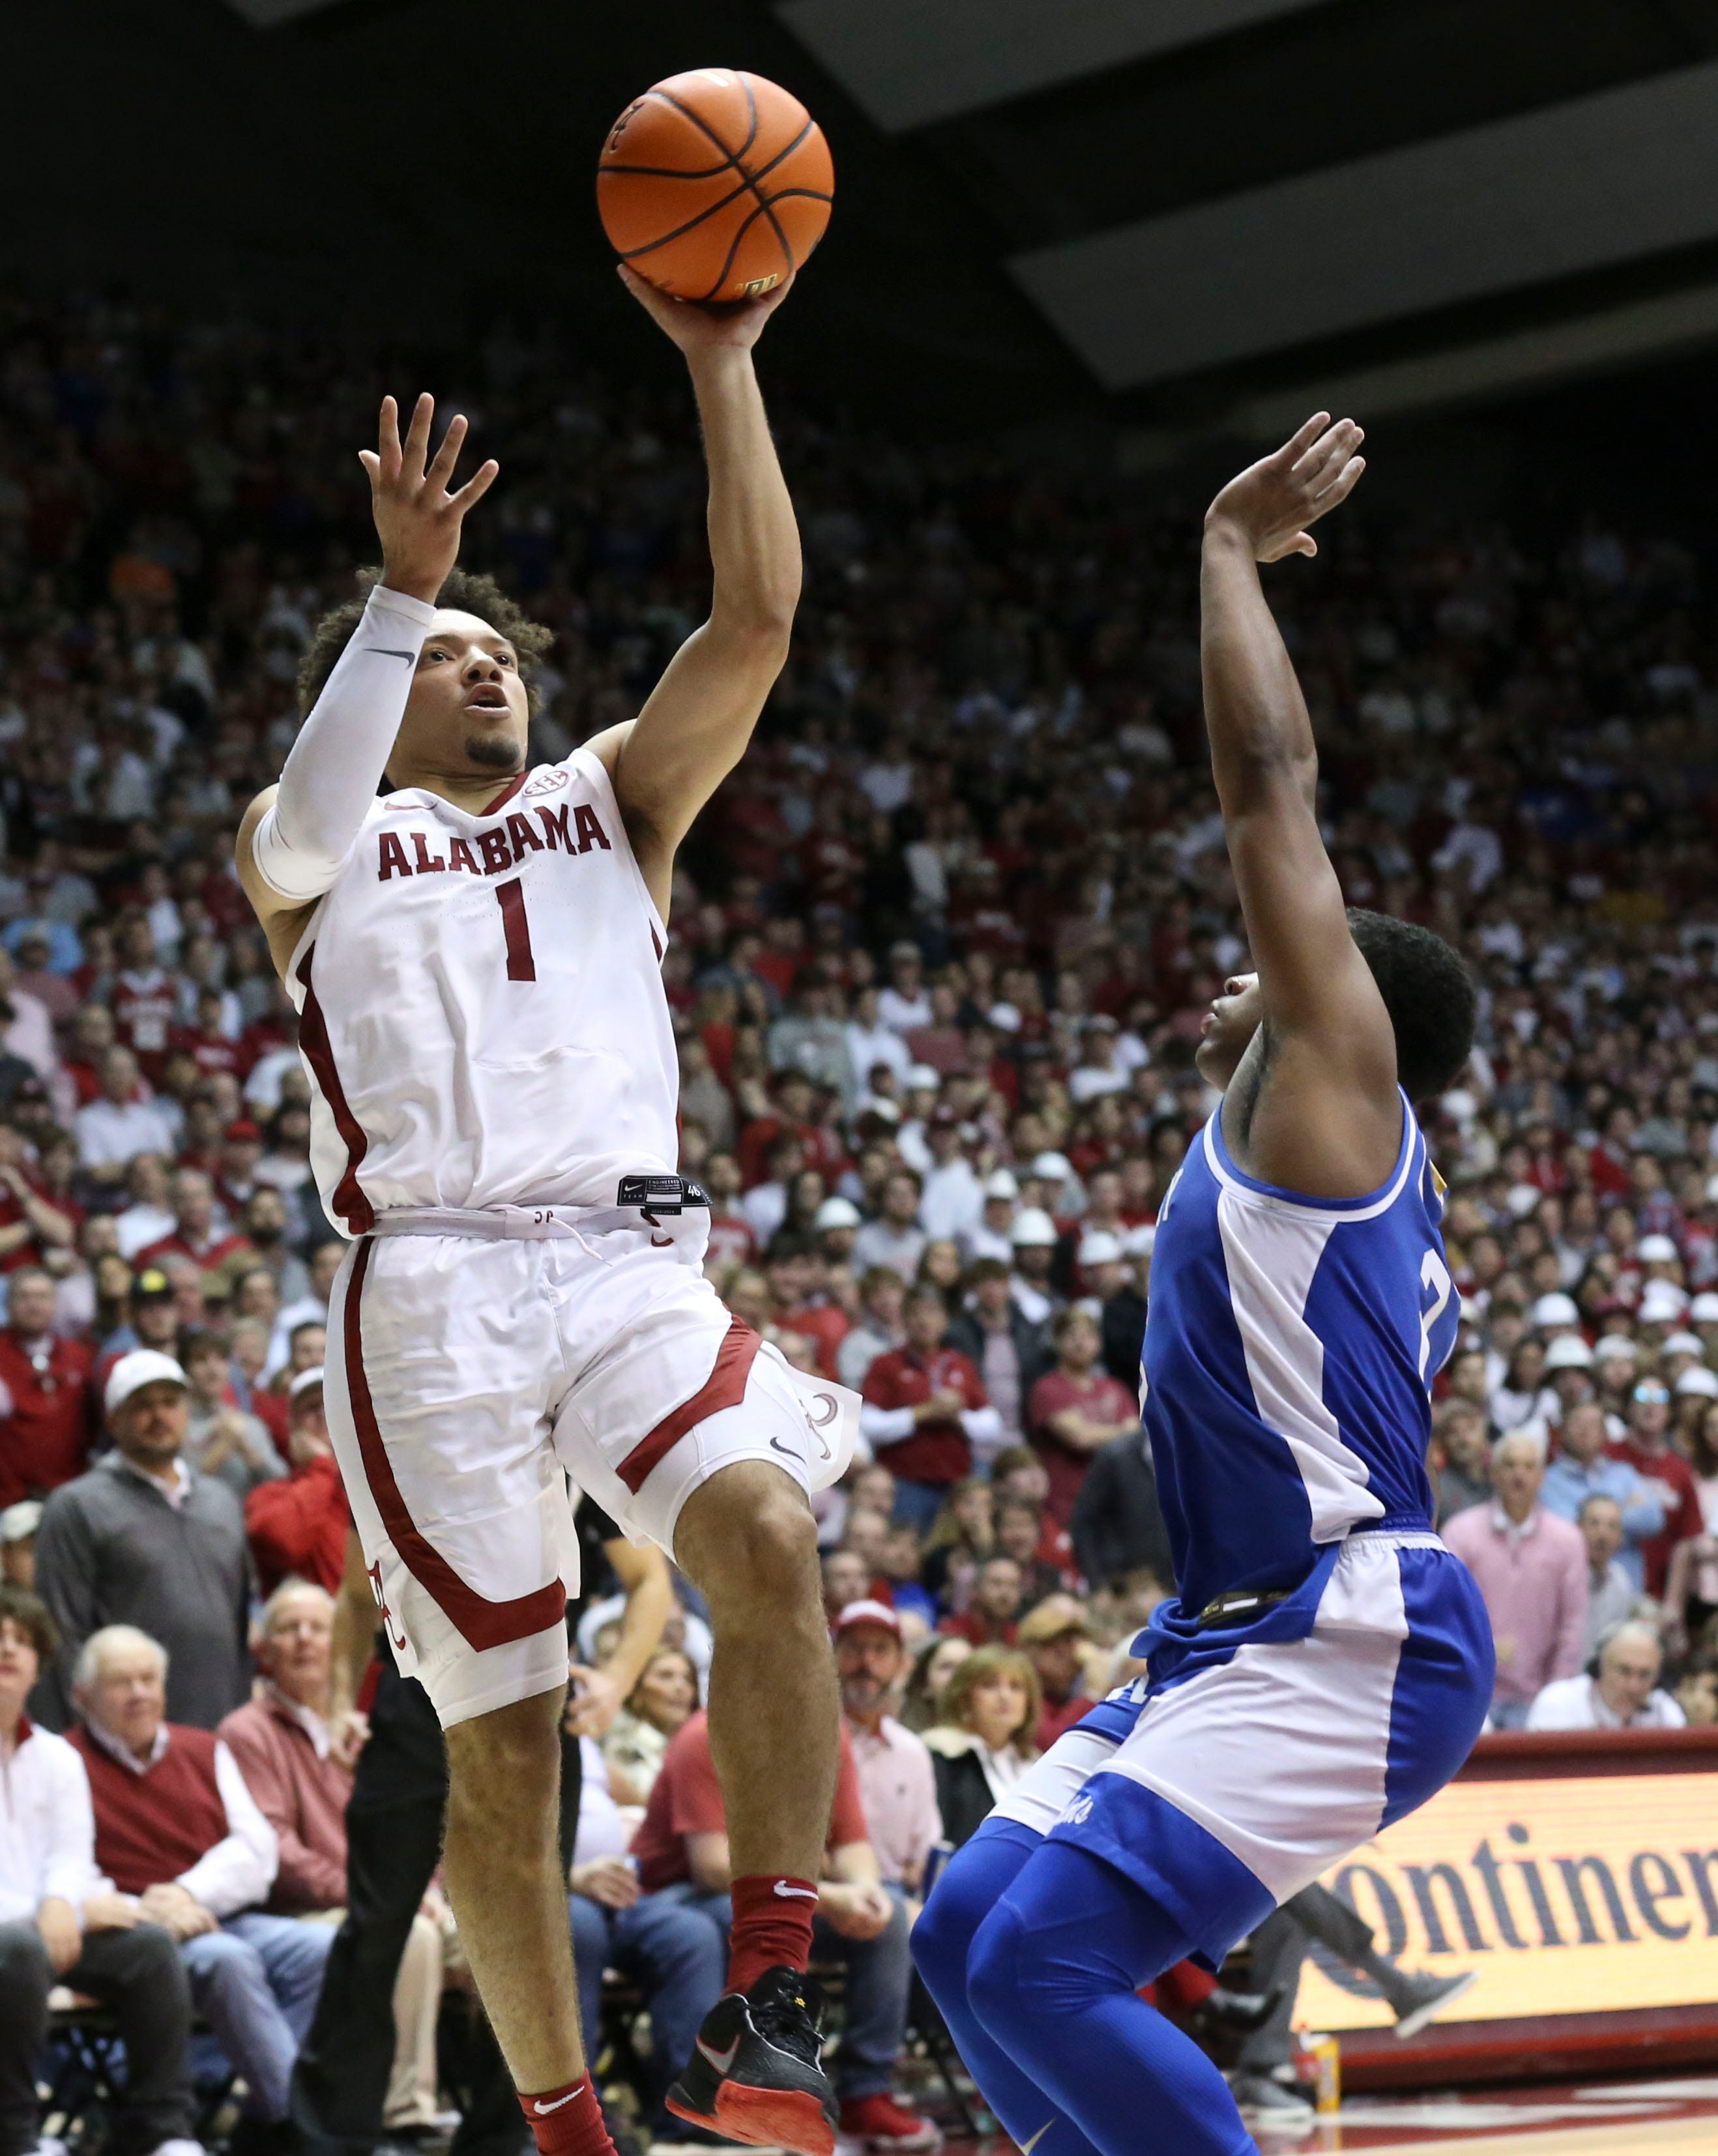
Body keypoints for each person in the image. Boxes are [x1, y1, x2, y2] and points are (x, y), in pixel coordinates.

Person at [232, 284, 864, 2156]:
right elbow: (290, 826)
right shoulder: (313, 845)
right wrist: (398, 593)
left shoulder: (611, 803)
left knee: (763, 1526)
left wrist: (722, 361)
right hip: (422, 1287)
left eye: (501, 646)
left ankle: (766, 2000)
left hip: (619, 1255)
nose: (486, 664)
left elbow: (755, 618)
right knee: (503, 1741)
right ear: (380, 680)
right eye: (453, 653)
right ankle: (570, 2133)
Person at [912, 418, 1493, 2156]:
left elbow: (1265, 795)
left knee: (1047, 1963)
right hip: (1231, 1622)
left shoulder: (1331, 1075)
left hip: (1346, 1626)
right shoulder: (1342, 1161)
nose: (1235, 971)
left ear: (1334, 995)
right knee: (964, 1937)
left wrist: (1227, 553)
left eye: (1274, 958)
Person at [68, 1623, 335, 2148]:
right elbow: (65, 1868)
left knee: (324, 1948)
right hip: (133, 1938)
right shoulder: (64, 1761)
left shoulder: (205, 1749)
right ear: (82, 1696)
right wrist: (150, 1910)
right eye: (121, 1682)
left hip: (217, 1913)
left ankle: (260, 2115)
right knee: (226, 1959)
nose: (140, 1693)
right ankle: (301, 2124)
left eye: (149, 1678)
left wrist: (188, 1894)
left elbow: (256, 1850)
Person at [629, 1702, 939, 2153]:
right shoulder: (706, 1735)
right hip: (687, 1892)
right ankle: (727, 2087)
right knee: (720, 1924)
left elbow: (853, 1843)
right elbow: (713, 1867)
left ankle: (865, 2092)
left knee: (887, 1918)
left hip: (793, 1888)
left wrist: (865, 1891)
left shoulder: (828, 1733)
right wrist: (828, 1898)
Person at [219, 1580, 450, 2136]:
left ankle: (512, 2115)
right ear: (263, 1648)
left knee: (497, 1940)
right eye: (288, 1629)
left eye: (318, 1628)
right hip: (300, 1909)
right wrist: (379, 1896)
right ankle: (403, 2117)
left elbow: (420, 1825)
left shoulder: (369, 1727)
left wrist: (433, 1889)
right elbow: (279, 1852)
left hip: (389, 1898)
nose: (304, 1640)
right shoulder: (244, 1732)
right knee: (408, 1938)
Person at [0, 1585, 203, 2156]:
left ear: (39, 1663)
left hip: (50, 1928)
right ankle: (15, 2138)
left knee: (150, 1949)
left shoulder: (56, 1757)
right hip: (18, 1937)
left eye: (21, 1640)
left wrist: (64, 1902)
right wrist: (55, 1912)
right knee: (16, 1950)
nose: (8, 1650)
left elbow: (70, 1857)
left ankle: (164, 2132)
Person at [33, 1350, 252, 1730]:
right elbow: (60, 1633)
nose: (159, 1416)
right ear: (113, 1420)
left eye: (170, 1403)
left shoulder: (221, 1501)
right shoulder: (77, 1506)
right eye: (142, 1406)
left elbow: (239, 1622)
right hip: (122, 1734)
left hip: (220, 1723)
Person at [1443, 1432, 1588, 1729]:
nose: (1519, 1474)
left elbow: (1572, 1624)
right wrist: (1481, 1651)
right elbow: (1447, 1613)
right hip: (1471, 1691)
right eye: (1509, 1465)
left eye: (1528, 1466)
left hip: (1540, 1696)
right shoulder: (1460, 1532)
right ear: (1494, 1473)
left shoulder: (1568, 1540)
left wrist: (1555, 1693)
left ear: (1542, 1476)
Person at [860, 1287, 1000, 1531]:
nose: (924, 1321)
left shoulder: (960, 1363)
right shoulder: (886, 1364)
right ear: (904, 1320)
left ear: (945, 1319)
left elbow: (992, 1424)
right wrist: (924, 1412)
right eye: (915, 1313)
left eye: (932, 1312)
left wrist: (958, 1417)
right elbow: (867, 1425)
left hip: (957, 1483)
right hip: (905, 1481)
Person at [834, 1600, 942, 1896]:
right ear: (832, 1657)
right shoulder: (806, 1741)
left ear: (902, 1664)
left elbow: (926, 1854)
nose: (867, 1662)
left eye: (881, 1649)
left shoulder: (913, 1751)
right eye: (854, 1648)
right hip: (826, 1892)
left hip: (896, 1894)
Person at [1025, 1305, 1139, 1530]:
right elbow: (1081, 1440)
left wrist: (1099, 1432)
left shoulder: (1114, 1387)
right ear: (1057, 1342)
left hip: (1116, 1504)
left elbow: (1136, 1438)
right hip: (1068, 1507)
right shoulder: (1047, 1388)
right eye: (1071, 1336)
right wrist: (1121, 1432)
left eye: (1088, 1336)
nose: (1080, 1343)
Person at [919, 1646, 1040, 1850]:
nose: (1004, 1696)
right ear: (964, 1698)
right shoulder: (943, 1754)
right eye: (990, 1685)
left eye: (1016, 1687)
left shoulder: (1038, 1764)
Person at [0, 1264, 98, 1509]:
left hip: (73, 1493)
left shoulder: (78, 1355)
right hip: (11, 1500)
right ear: (8, 1305)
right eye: (24, 1297)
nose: (34, 1306)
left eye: (42, 1297)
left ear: (55, 1304)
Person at [1539, 1400, 1663, 1589]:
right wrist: (1621, 1514)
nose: (1584, 1430)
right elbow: (1566, 1531)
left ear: (1605, 1434)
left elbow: (1654, 1519)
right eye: (1577, 1423)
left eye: (1592, 1425)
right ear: (1562, 1432)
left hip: (1626, 1592)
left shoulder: (1623, 1474)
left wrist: (1591, 1520)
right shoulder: (1546, 1481)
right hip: (1570, 1590)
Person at [245, 1371, 348, 1596]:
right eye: (312, 1408)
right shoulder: (270, 1496)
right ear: (293, 1425)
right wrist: (323, 1467)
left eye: (332, 1404)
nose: (323, 1415)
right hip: (309, 1627)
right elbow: (285, 1543)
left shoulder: (373, 1494)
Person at [1526, 1619, 1687, 1730]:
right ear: (1599, 1668)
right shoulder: (1559, 1702)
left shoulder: (1665, 1711)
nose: (1633, 1686)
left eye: (1645, 1675)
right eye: (1624, 1671)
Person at [602, 1644, 699, 1807]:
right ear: (636, 1688)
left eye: (689, 1680)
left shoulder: (702, 1746)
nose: (680, 1687)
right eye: (665, 1676)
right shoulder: (615, 1746)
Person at [1017, 1596, 1095, 1751]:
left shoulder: (1063, 1697)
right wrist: (1091, 1694)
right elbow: (1052, 1747)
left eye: (1071, 1642)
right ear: (1029, 1650)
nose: (1068, 1652)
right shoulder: (1020, 1692)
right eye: (1055, 1643)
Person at [1574, 1494, 1637, 1662]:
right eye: (1594, 1523)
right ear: (1577, 1528)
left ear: (1621, 1536)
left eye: (1612, 1526)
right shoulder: (1560, 1577)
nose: (1603, 1534)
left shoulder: (1621, 1580)